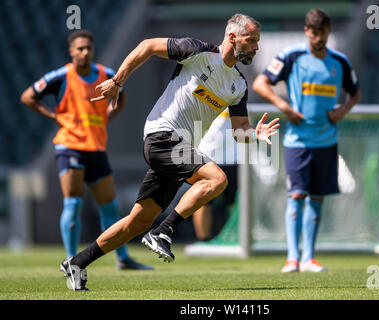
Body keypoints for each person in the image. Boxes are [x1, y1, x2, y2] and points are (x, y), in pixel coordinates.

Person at [59, 14, 280, 291]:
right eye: (252, 40)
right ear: (233, 37)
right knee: (217, 180)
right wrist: (118, 81)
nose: (256, 47)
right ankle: (163, 231)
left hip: (178, 149)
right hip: (161, 136)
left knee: (137, 221)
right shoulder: (198, 52)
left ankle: (77, 262)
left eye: (257, 42)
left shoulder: (238, 85)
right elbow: (148, 46)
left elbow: (240, 130)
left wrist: (254, 135)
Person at [20, 30, 153, 271]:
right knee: (73, 203)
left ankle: (122, 258)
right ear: (71, 51)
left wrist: (107, 117)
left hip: (96, 148)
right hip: (69, 146)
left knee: (110, 207)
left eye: (88, 48)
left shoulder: (108, 75)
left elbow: (121, 98)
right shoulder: (60, 77)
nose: (84, 52)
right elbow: (28, 96)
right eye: (79, 48)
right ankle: (72, 261)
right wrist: (53, 116)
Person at [253, 9, 361, 273]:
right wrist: (284, 106)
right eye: (313, 32)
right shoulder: (292, 56)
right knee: (296, 195)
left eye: (322, 32)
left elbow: (355, 93)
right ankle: (291, 258)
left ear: (328, 31)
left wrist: (341, 111)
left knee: (317, 198)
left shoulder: (340, 62)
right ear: (306, 31)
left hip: (326, 140)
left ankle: (309, 258)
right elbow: (260, 83)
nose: (318, 37)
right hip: (297, 142)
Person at [193, 109, 239, 241]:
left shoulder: (238, 91)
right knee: (204, 200)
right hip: (207, 154)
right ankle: (204, 240)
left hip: (235, 156)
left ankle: (234, 237)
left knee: (234, 200)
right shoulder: (200, 91)